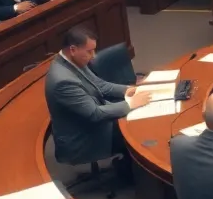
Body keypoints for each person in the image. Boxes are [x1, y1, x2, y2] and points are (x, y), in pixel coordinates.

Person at [44, 26, 151, 170]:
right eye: (89, 51)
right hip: (83, 137)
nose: (93, 56)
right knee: (135, 131)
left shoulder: (71, 61)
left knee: (135, 119)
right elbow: (95, 114)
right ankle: (131, 174)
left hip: (91, 120)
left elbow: (100, 85)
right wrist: (131, 103)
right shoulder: (63, 81)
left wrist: (129, 90)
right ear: (73, 49)